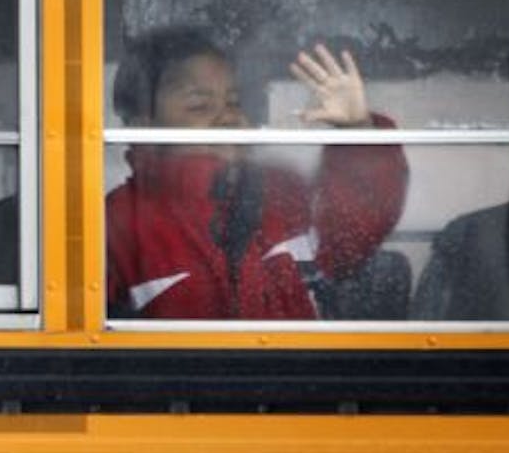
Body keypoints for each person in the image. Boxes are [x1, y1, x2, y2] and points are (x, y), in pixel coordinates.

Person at [106, 27, 408, 319]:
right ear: (142, 126)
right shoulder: (118, 222)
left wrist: (358, 133)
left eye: (234, 102)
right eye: (199, 105)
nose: (228, 116)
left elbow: (354, 235)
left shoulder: (281, 192)